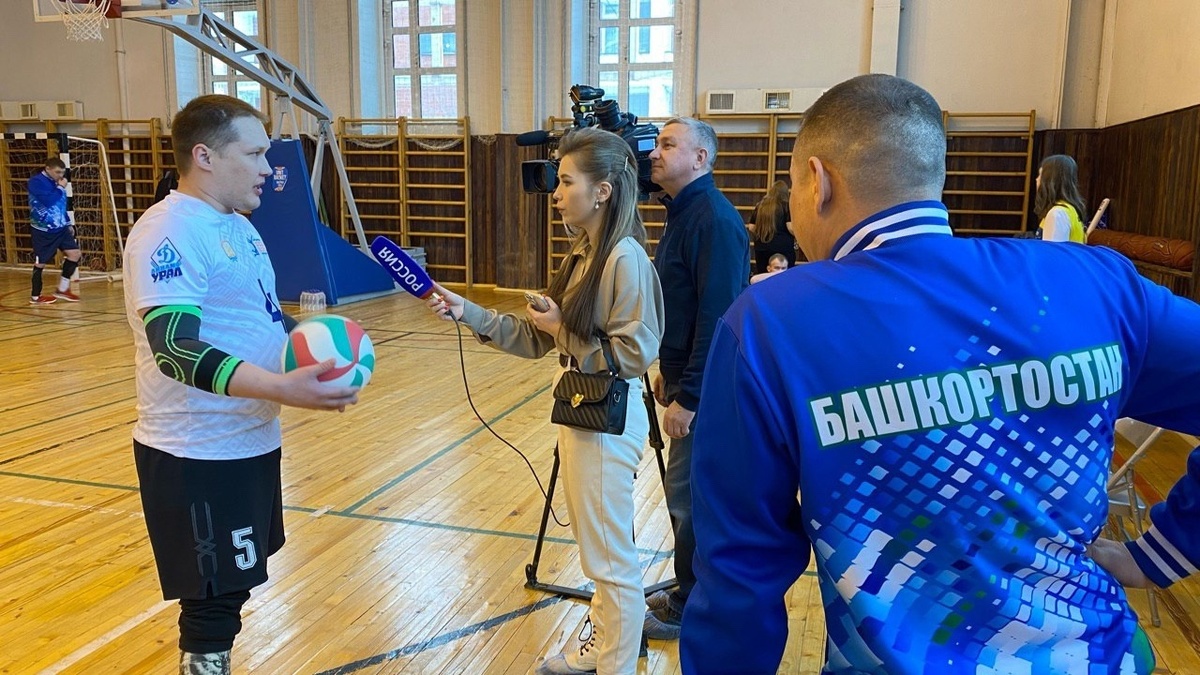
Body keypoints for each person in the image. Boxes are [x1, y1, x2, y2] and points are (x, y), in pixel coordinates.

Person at [681, 73, 1200, 674]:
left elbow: (740, 572)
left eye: (792, 188)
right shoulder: (1097, 282)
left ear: (818, 182)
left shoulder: (772, 322)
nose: (791, 221)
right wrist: (1162, 553)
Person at [122, 94, 359, 675]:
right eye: (254, 154)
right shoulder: (170, 230)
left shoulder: (239, 226)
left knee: (235, 583)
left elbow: (260, 318)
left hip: (248, 439)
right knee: (212, 600)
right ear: (204, 156)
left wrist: (320, 344)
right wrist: (282, 389)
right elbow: (175, 349)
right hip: (196, 451)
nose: (268, 169)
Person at [427, 126, 664, 675]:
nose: (555, 194)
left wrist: (563, 330)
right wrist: (466, 310)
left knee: (611, 562)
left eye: (566, 181)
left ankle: (616, 666)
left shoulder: (624, 257)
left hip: (608, 418)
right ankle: (601, 650)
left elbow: (633, 355)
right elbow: (537, 339)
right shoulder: (583, 252)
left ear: (602, 191)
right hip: (582, 410)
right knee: (598, 552)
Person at [642, 116, 750, 640]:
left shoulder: (713, 219)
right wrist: (670, 372)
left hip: (709, 393)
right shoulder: (683, 212)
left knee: (690, 499)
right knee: (685, 495)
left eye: (667, 145)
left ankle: (692, 607)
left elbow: (717, 317)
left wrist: (691, 395)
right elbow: (680, 304)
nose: (654, 153)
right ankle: (691, 590)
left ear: (700, 159)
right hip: (688, 381)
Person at [27, 157, 82, 304]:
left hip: (61, 228)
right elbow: (49, 201)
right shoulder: (36, 182)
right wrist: (60, 188)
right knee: (41, 263)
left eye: (62, 172)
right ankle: (36, 296)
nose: (60, 175)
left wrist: (68, 223)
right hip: (44, 230)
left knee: (74, 254)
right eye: (57, 172)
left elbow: (60, 204)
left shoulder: (56, 182)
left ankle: (62, 289)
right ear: (47, 169)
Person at [748, 179, 798, 272]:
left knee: (763, 275)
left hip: (762, 246)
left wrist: (762, 232)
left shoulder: (760, 205)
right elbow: (790, 227)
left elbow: (751, 227)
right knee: (785, 275)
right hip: (783, 246)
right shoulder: (786, 206)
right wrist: (799, 237)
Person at [1035, 154, 1087, 242]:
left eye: (1040, 175)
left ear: (1049, 180)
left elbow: (1052, 250)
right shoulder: (1069, 210)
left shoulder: (1057, 214)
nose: (1037, 179)